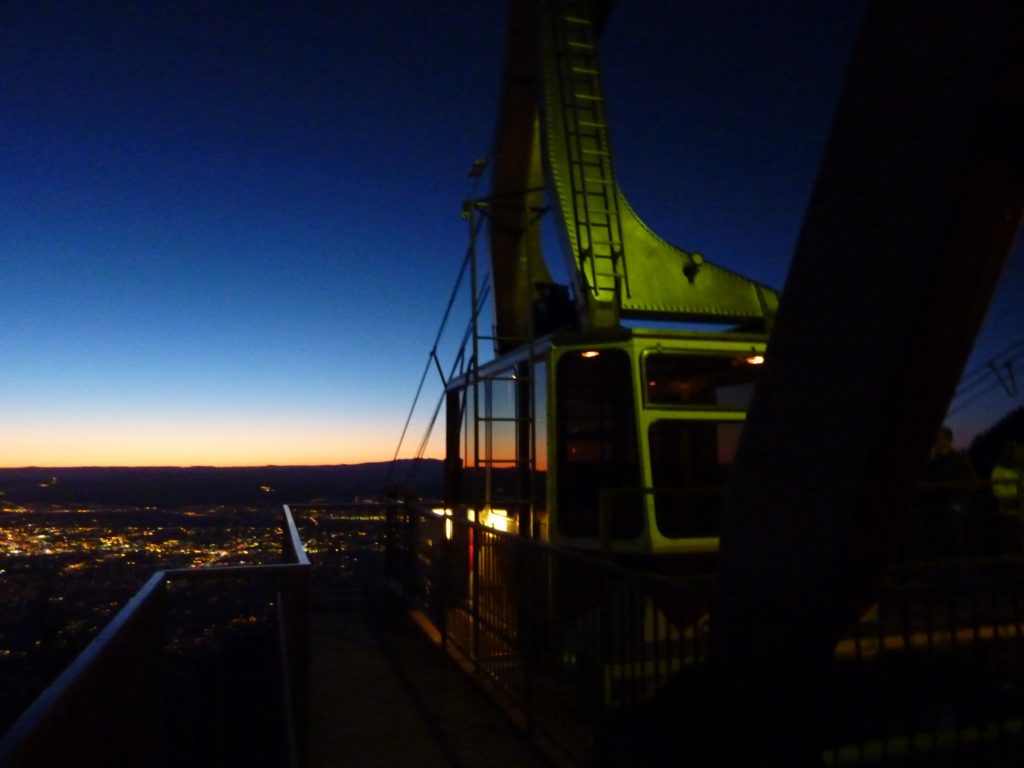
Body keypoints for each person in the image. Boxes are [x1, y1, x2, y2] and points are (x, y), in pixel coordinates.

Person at [991, 441, 1024, 514]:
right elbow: (1000, 492)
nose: (1022, 455)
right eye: (1020, 452)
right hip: (1011, 506)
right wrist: (1019, 495)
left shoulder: (1021, 469)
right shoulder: (999, 470)